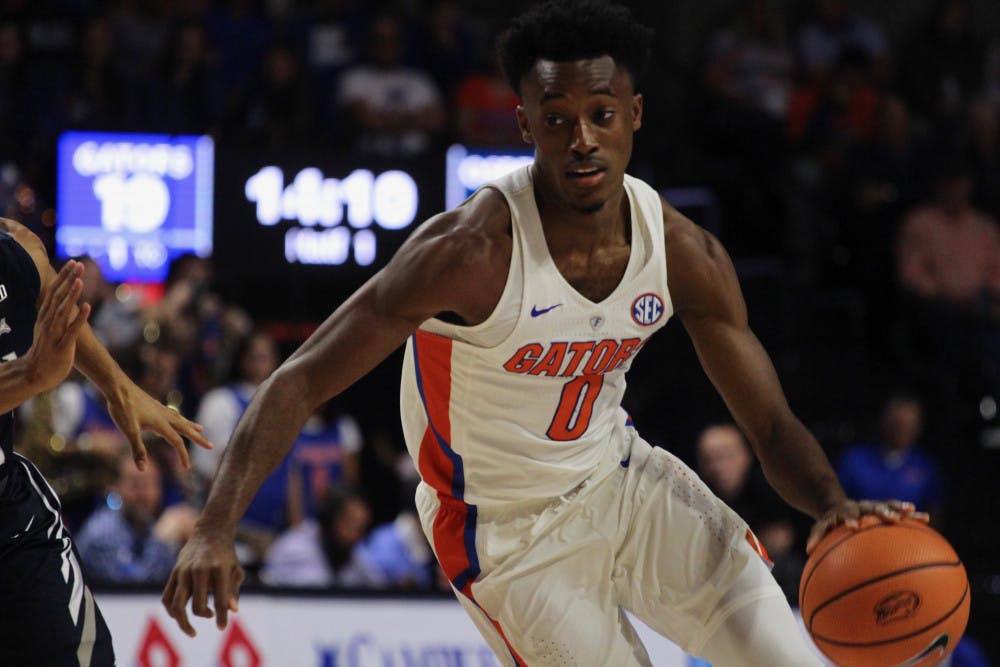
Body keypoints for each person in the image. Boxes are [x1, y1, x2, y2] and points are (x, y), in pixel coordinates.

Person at [163, 3, 923, 665]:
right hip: (504, 533)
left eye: (600, 113)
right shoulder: (468, 254)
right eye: (557, 118)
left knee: (787, 656)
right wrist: (214, 526)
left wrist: (829, 504)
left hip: (621, 482)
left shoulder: (682, 252)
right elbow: (300, 377)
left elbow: (768, 420)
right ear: (525, 123)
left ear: (635, 114)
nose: (582, 138)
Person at [0, 217, 211, 665]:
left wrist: (121, 389)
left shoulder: (15, 249)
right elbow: (38, 367)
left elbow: (42, 276)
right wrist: (32, 373)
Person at [76, 453, 198, 585]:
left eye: (150, 484)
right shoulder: (101, 534)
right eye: (135, 484)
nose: (143, 494)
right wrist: (163, 542)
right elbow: (135, 588)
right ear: (116, 486)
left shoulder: (150, 525)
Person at [836, 392, 944, 519]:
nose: (901, 431)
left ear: (919, 427)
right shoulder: (853, 460)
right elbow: (835, 506)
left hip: (911, 535)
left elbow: (935, 511)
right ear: (883, 420)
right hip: (859, 533)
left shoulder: (926, 467)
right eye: (897, 424)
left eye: (907, 425)